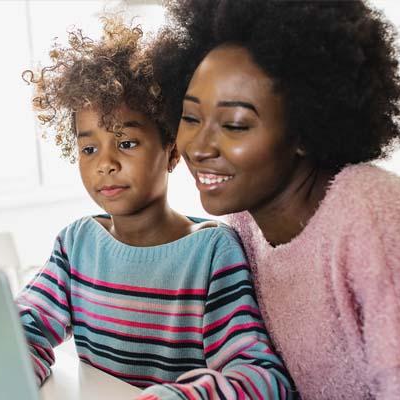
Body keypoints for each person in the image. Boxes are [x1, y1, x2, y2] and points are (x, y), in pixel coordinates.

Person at [152, 1, 400, 398]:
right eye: (190, 118)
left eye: (235, 125)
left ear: (304, 130)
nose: (199, 146)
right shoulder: (246, 225)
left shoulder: (372, 214)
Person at [17, 17, 293, 400]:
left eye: (127, 143)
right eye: (89, 148)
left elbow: (261, 377)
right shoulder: (75, 245)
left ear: (172, 151)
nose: (105, 163)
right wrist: (13, 367)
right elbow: (24, 327)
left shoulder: (212, 252)